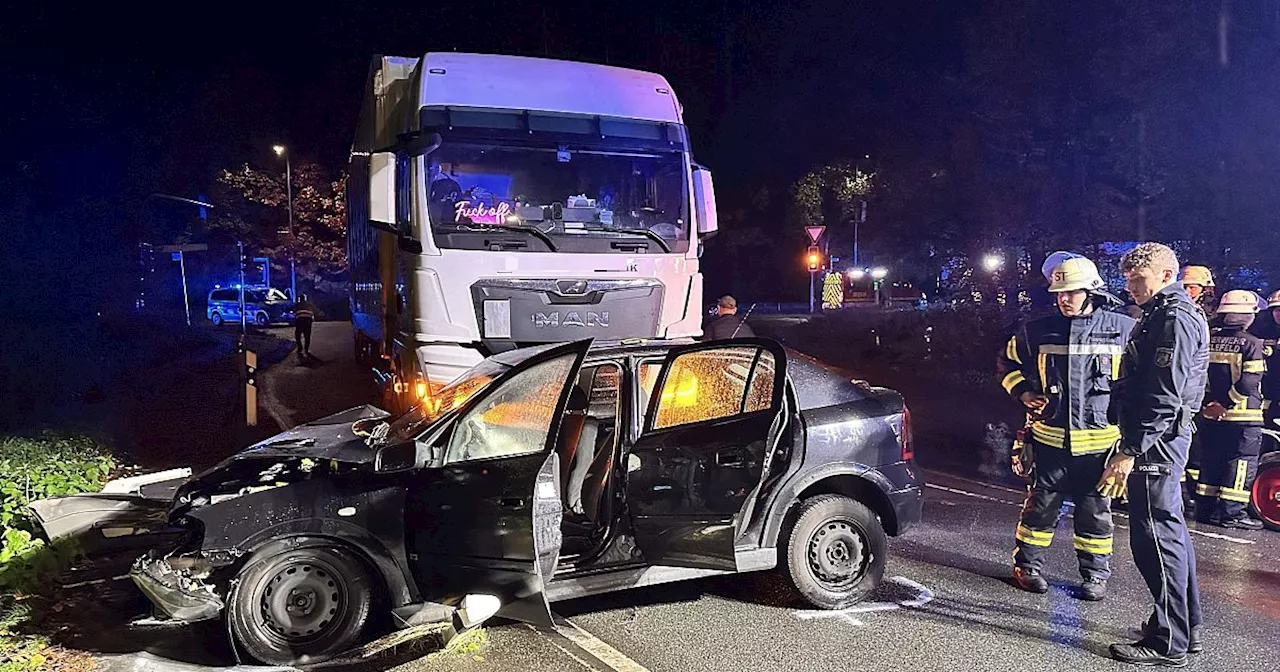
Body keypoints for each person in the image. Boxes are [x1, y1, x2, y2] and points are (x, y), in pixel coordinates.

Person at [996, 256, 1134, 601]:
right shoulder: (1038, 330)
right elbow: (1006, 362)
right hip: (1050, 440)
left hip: (1101, 444)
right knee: (1040, 507)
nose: (1064, 299)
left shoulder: (1123, 329)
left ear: (1091, 290)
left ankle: (1095, 575)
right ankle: (1026, 568)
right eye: (1059, 293)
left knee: (1096, 512)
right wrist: (1024, 391)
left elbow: (1139, 382)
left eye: (1071, 292)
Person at [1101, 242, 1209, 667]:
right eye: (1127, 280)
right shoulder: (1162, 315)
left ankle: (1168, 641)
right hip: (1159, 438)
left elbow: (1164, 397)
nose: (1131, 288)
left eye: (1138, 280)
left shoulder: (1174, 320)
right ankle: (1187, 626)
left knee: (1156, 538)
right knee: (1171, 533)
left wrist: (1129, 450)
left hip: (1157, 442)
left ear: (1166, 276)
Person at [1194, 290, 1267, 530]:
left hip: (1209, 414)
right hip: (1242, 417)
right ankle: (1232, 513)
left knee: (1210, 460)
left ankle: (1204, 509)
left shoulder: (1207, 339)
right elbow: (1248, 382)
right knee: (1241, 463)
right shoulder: (1252, 344)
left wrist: (1209, 404)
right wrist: (1226, 403)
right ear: (1248, 316)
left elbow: (1196, 375)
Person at [293, 293, 317, 360]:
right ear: (305, 299)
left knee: (298, 335)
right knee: (307, 336)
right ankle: (306, 350)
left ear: (300, 299)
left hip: (300, 320)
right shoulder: (309, 304)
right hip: (308, 320)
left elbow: (293, 310)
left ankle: (300, 348)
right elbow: (315, 311)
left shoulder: (297, 304)